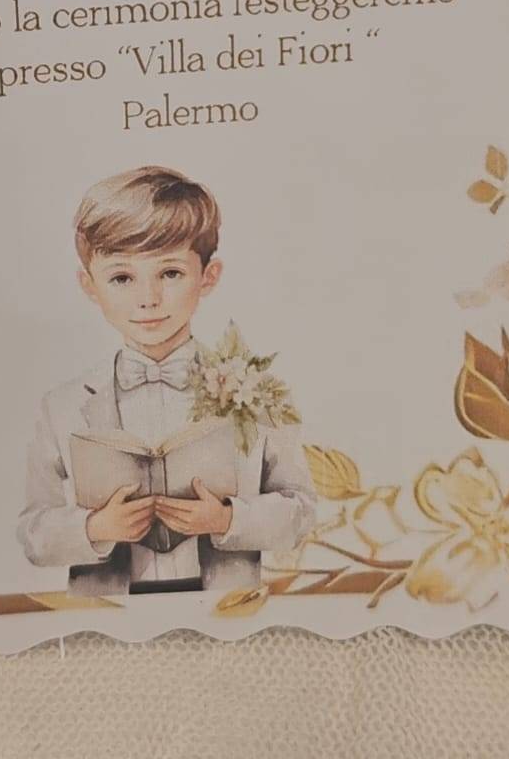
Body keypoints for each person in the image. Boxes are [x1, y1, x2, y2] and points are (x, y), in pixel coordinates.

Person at [17, 164, 315, 596]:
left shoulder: (252, 389)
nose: (148, 299)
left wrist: (228, 519)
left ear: (208, 276)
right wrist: (95, 527)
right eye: (122, 278)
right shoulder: (62, 405)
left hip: (225, 607)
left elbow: (302, 512)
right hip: (109, 614)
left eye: (170, 273)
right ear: (89, 286)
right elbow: (33, 532)